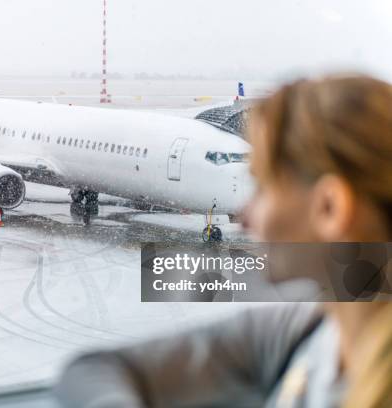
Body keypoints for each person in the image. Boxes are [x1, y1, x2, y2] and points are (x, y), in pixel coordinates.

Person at [54, 75, 392, 408]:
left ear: (330, 209)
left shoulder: (303, 332)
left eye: (261, 188)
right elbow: (95, 370)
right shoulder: (307, 326)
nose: (245, 215)